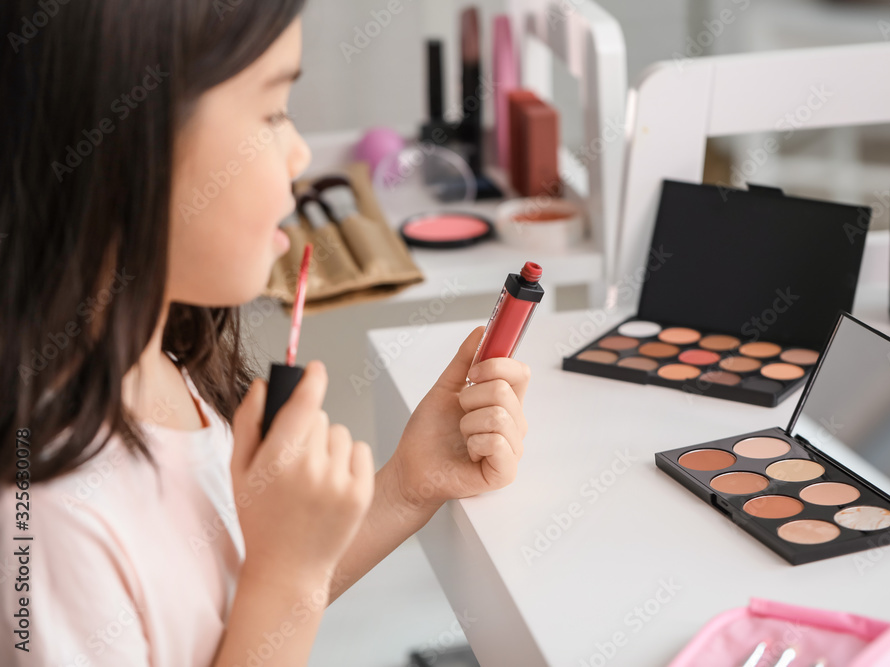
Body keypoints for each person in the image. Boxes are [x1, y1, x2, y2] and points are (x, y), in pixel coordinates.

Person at [0, 2, 530, 664]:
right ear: (131, 145)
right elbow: (273, 595)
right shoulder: (45, 523)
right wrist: (290, 578)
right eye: (273, 110)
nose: (301, 151)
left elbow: (234, 617)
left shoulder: (165, 368)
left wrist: (407, 484)